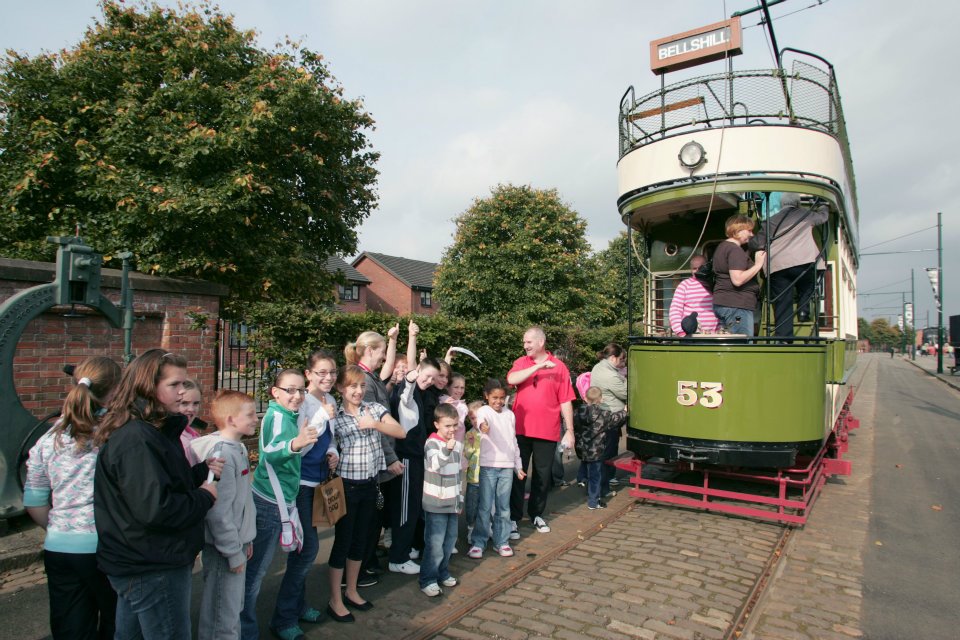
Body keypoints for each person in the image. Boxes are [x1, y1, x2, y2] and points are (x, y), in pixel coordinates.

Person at [93, 349, 219, 639]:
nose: (182, 391)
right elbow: (157, 508)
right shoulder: (138, 437)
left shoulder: (156, 430)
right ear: (149, 387)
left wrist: (200, 473)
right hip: (151, 563)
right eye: (174, 384)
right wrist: (205, 496)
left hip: (145, 559)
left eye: (184, 383)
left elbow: (163, 482)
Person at [24, 356, 121, 640]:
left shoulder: (47, 439)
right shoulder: (112, 436)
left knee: (70, 627)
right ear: (114, 390)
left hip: (59, 547)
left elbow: (34, 501)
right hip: (106, 546)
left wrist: (60, 528)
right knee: (117, 622)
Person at [240, 369, 319, 640]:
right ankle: (245, 632)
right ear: (275, 392)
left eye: (300, 390)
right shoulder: (275, 416)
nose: (296, 396)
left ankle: (288, 612)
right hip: (268, 502)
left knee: (286, 558)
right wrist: (296, 443)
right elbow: (269, 454)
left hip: (283, 500)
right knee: (255, 574)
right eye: (290, 390)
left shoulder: (290, 415)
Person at [326, 365, 406, 622]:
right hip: (346, 487)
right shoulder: (335, 416)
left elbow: (400, 431)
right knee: (343, 542)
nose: (358, 391)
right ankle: (335, 599)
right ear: (340, 388)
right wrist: (331, 455)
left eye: (361, 386)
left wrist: (375, 424)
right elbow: (326, 443)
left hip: (371, 485)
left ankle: (351, 591)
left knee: (361, 540)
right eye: (352, 386)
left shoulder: (374, 409)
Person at [190, 390, 259, 640]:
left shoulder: (238, 447)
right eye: (250, 415)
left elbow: (242, 503)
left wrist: (246, 539)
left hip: (235, 545)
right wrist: (233, 551)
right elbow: (218, 512)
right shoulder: (223, 454)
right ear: (231, 419)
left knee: (231, 610)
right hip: (224, 550)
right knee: (223, 616)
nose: (255, 419)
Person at [345, 325, 403, 582]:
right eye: (379, 352)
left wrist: (392, 341)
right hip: (372, 460)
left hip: (378, 457)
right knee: (369, 518)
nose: (383, 358)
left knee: (374, 516)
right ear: (369, 350)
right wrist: (390, 458)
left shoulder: (370, 376)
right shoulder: (365, 382)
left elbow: (388, 368)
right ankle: (361, 563)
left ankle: (366, 558)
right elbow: (372, 427)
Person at [508, 327, 575, 537]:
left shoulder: (560, 367)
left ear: (540, 342)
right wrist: (537, 368)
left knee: (542, 475)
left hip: (547, 430)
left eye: (528, 342)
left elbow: (565, 399)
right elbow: (512, 380)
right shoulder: (521, 362)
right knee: (517, 473)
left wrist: (570, 430)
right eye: (524, 342)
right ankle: (513, 518)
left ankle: (537, 513)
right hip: (521, 428)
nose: (525, 346)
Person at [387, 356, 443, 573]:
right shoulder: (407, 391)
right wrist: (411, 377)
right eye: (427, 375)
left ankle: (405, 549)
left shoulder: (422, 394)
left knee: (412, 508)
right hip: (406, 458)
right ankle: (397, 558)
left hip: (417, 458)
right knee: (405, 509)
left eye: (433, 378)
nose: (429, 380)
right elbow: (406, 392)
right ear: (418, 370)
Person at [468, 379, 526, 558]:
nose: (498, 401)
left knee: (503, 507)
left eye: (502, 398)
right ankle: (479, 541)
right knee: (485, 506)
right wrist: (482, 426)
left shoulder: (510, 415)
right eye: (494, 397)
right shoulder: (484, 411)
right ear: (486, 396)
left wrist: (519, 466)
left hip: (507, 467)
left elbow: (513, 441)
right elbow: (481, 422)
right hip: (488, 466)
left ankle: (502, 541)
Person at [762, 193, 829, 337]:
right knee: (809, 282)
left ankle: (784, 337)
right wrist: (823, 207)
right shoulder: (805, 214)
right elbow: (823, 217)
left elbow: (758, 242)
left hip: (778, 266)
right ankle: (803, 310)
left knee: (782, 300)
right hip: (803, 263)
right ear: (797, 203)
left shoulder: (771, 220)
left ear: (782, 204)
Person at [419, 403, 465, 596]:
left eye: (455, 425)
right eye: (447, 426)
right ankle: (427, 578)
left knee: (449, 541)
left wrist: (460, 499)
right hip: (435, 503)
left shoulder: (457, 445)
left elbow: (458, 475)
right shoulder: (432, 443)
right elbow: (435, 464)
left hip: (452, 502)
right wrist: (447, 449)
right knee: (435, 543)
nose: (452, 429)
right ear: (437, 424)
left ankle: (442, 572)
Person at [574, 387, 629, 510]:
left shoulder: (577, 412)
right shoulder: (603, 415)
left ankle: (581, 478)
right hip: (596, 450)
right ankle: (594, 502)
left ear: (585, 397)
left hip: (581, 447)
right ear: (601, 399)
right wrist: (624, 411)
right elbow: (616, 419)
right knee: (595, 476)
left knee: (584, 461)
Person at [712, 215, 767, 337]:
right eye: (749, 230)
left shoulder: (722, 247)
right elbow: (737, 279)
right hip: (737, 306)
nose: (752, 234)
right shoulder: (735, 251)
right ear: (738, 230)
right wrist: (758, 265)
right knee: (742, 346)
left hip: (724, 303)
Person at [589, 344, 629, 497]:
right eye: (621, 359)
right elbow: (626, 393)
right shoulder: (611, 375)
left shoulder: (599, 367)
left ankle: (603, 484)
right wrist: (625, 378)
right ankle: (602, 489)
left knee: (604, 452)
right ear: (612, 358)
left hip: (603, 416)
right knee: (608, 453)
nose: (623, 363)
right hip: (610, 417)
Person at [669, 254, 719, 336]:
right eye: (694, 269)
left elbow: (720, 308)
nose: (697, 271)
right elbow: (675, 310)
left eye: (700, 268)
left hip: (714, 335)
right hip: (691, 336)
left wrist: (720, 329)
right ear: (691, 270)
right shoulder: (684, 285)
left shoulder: (714, 285)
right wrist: (681, 333)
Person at [462, 400, 484, 542]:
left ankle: (485, 528)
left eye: (478, 417)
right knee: (471, 506)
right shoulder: (469, 434)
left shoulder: (490, 432)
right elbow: (467, 454)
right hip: (473, 477)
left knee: (486, 505)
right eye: (472, 418)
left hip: (488, 476)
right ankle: (471, 528)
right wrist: (469, 447)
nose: (475, 421)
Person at [179, 379, 207, 466]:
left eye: (196, 403)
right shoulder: (175, 439)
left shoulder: (192, 434)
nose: (191, 409)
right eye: (184, 403)